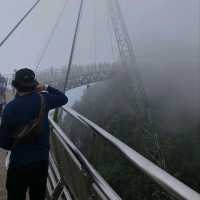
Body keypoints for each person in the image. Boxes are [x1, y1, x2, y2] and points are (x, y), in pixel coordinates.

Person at [0, 68, 68, 200]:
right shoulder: (44, 99)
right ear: (35, 84)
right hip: (40, 162)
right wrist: (46, 87)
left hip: (18, 163)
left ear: (15, 85)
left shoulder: (9, 109)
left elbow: (4, 143)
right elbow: (63, 98)